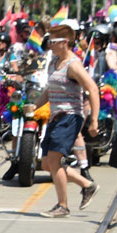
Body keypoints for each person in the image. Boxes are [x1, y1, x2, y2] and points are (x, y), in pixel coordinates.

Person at [34, 22, 99, 218]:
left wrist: (94, 120)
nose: (50, 45)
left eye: (53, 41)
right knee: (47, 164)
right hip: (56, 117)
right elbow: (49, 90)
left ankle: (63, 206)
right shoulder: (54, 62)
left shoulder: (74, 65)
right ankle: (87, 185)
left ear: (64, 42)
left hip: (70, 117)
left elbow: (92, 89)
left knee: (55, 161)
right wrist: (33, 106)